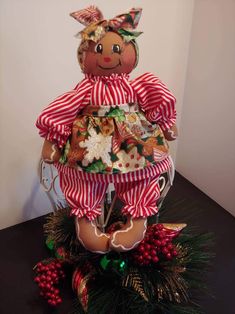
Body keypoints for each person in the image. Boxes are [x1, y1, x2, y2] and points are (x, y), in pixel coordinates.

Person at [36, 6, 178, 254]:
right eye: (99, 50)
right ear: (85, 57)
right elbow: (64, 108)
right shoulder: (85, 89)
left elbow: (156, 98)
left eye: (117, 49)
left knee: (142, 176)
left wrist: (166, 123)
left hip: (133, 142)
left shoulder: (135, 86)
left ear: (131, 52)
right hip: (92, 145)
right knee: (83, 180)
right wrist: (52, 141)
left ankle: (137, 221)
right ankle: (86, 224)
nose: (108, 56)